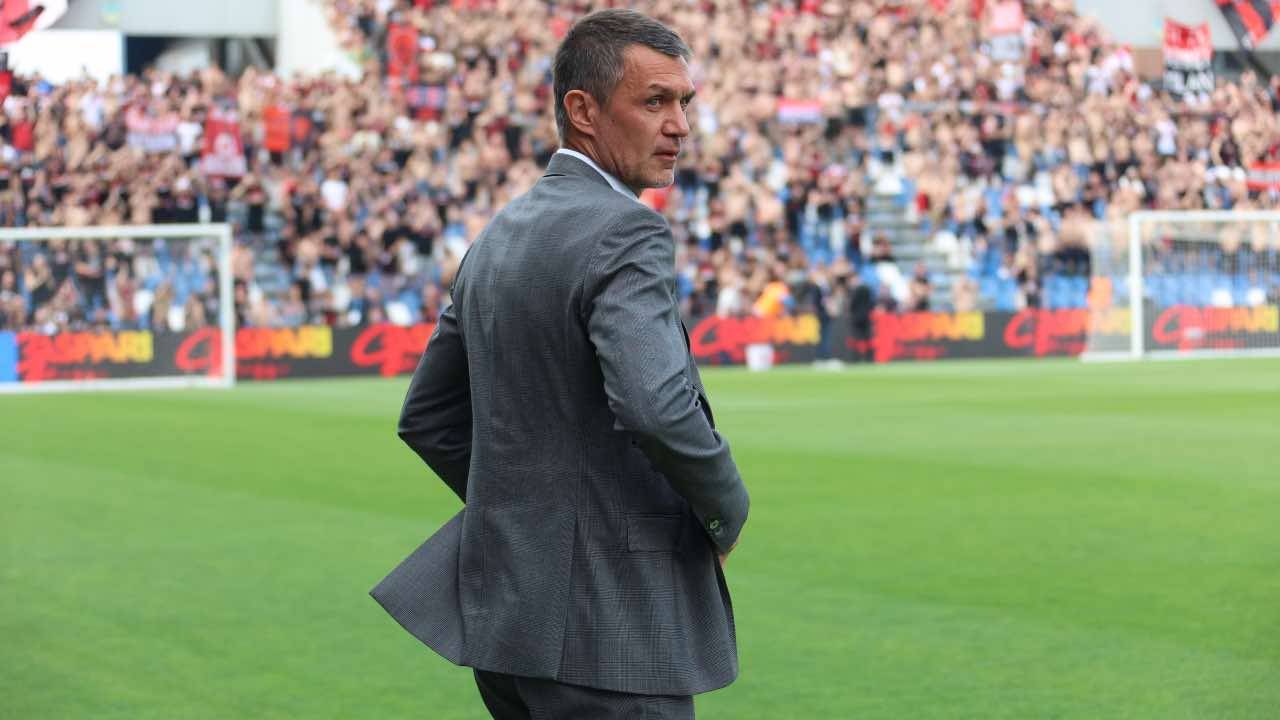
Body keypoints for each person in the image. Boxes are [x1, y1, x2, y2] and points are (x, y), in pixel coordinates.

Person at [371, 10, 749, 720]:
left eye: (685, 104)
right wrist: (725, 510)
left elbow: (428, 417)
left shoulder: (499, 233)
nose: (680, 127)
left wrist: (529, 521)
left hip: (510, 626)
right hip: (611, 631)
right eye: (655, 101)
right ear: (583, 111)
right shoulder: (627, 228)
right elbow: (656, 408)